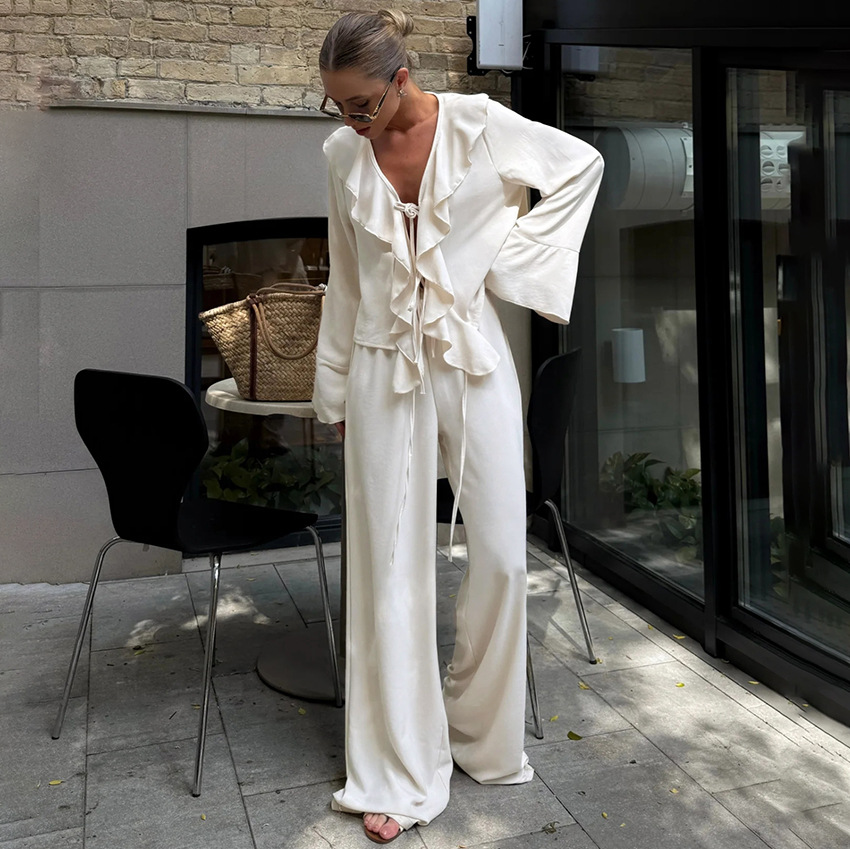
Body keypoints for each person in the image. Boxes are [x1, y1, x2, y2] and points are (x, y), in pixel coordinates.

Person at [312, 9, 603, 844]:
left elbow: (581, 166)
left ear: (401, 81)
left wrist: (504, 263)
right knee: (388, 571)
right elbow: (345, 276)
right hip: (380, 368)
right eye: (336, 106)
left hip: (471, 357)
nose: (350, 121)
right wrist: (335, 394)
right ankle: (399, 766)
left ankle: (479, 733)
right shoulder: (341, 155)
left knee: (505, 555)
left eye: (361, 104)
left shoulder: (481, 125)